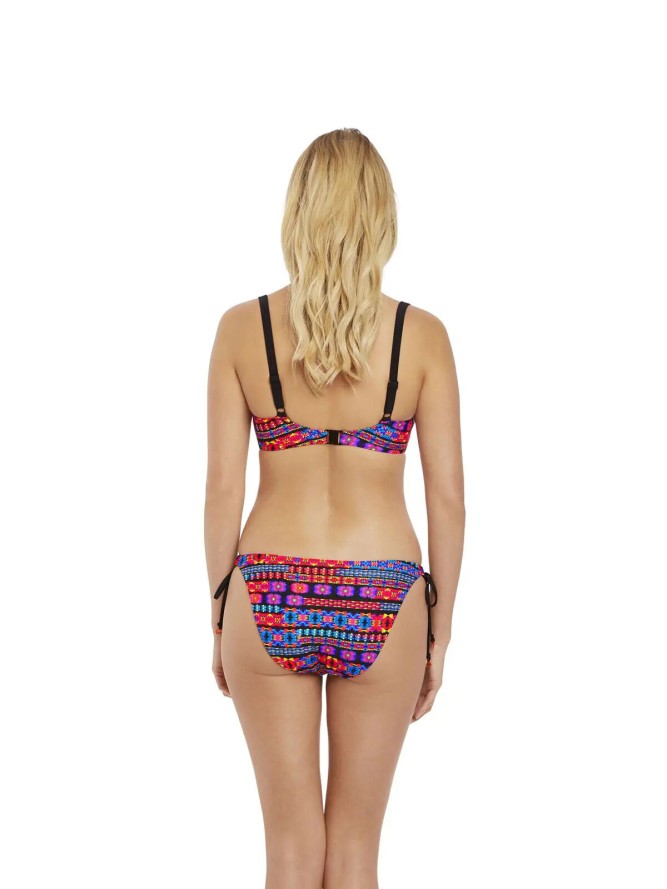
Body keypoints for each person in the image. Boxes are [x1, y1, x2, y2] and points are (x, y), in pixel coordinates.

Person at [204, 128, 465, 889]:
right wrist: (439, 633)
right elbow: (448, 497)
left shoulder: (242, 329)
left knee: (290, 853)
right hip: (385, 592)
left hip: (269, 588)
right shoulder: (421, 337)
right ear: (381, 216)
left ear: (297, 212)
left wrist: (220, 613)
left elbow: (222, 489)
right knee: (353, 855)